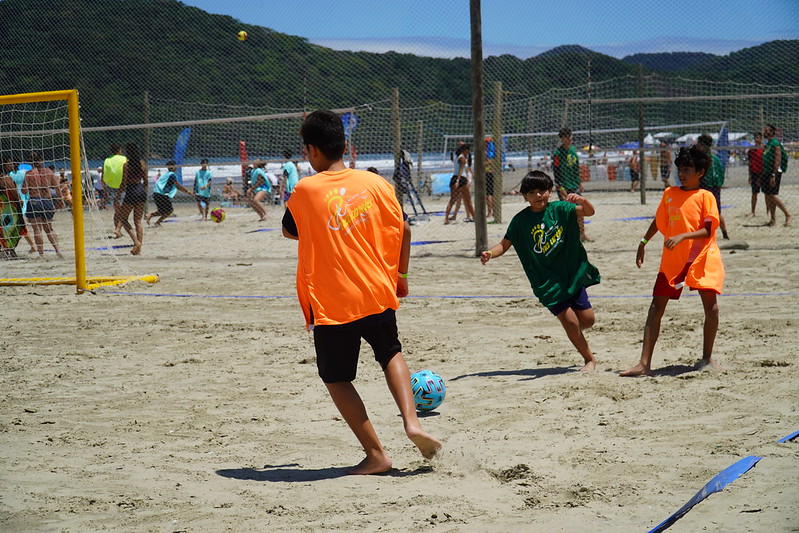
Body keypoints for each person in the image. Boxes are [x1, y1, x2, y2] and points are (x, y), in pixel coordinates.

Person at [281, 109, 441, 475]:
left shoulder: (306, 190)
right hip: (377, 289)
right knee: (390, 353)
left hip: (333, 301)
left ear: (311, 150)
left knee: (336, 378)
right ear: (345, 144)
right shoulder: (377, 183)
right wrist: (401, 275)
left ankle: (377, 455)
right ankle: (413, 424)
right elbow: (404, 229)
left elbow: (291, 230)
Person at [480, 170, 600, 372]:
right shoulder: (520, 221)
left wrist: (582, 200)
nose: (538, 196)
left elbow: (589, 212)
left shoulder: (561, 209)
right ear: (524, 196)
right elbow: (504, 244)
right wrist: (490, 254)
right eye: (532, 192)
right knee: (570, 322)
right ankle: (589, 359)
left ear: (550, 192)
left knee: (588, 320)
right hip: (546, 281)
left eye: (542, 191)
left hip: (571, 274)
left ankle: (576, 335)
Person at [621, 145, 724, 377]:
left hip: (701, 260)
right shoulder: (669, 194)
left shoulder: (706, 196)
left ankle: (707, 358)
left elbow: (708, 230)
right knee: (656, 307)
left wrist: (683, 236)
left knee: (712, 308)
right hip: (673, 261)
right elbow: (659, 221)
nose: (683, 173)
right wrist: (643, 242)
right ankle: (644, 364)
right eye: (681, 169)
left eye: (688, 169)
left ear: (701, 172)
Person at [22, 151, 62, 258]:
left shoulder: (29, 174)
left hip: (35, 201)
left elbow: (24, 191)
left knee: (37, 229)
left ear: (30, 162)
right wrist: (60, 200)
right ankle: (58, 251)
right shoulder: (48, 172)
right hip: (47, 201)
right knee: (49, 229)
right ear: (42, 160)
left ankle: (41, 254)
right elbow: (57, 187)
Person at [553, 128, 590, 241]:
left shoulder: (573, 151)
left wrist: (580, 182)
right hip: (564, 186)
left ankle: (582, 234)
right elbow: (556, 172)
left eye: (570, 137)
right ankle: (566, 237)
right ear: (562, 139)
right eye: (567, 137)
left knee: (580, 210)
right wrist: (561, 188)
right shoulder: (557, 154)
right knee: (566, 212)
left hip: (574, 185)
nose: (569, 139)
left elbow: (576, 168)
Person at [116, 143, 148, 254]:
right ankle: (139, 250)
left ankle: (136, 242)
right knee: (138, 221)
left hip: (132, 190)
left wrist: (118, 196)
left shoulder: (127, 165)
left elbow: (124, 182)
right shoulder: (142, 163)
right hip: (140, 190)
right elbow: (146, 181)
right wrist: (143, 190)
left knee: (123, 218)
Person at [697, 134, 729, 239]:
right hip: (716, 188)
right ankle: (725, 234)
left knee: (704, 212)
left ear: (703, 145)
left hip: (706, 187)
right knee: (717, 211)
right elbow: (721, 173)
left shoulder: (701, 159)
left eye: (699, 144)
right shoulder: (716, 158)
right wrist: (719, 184)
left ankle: (706, 233)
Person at [145, 160, 193, 227]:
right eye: (175, 166)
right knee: (169, 211)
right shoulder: (172, 175)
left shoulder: (166, 175)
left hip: (156, 193)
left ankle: (153, 218)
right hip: (162, 194)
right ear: (172, 167)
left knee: (163, 211)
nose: (176, 167)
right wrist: (188, 192)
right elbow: (178, 186)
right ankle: (155, 219)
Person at [762, 123, 792, 227]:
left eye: (766, 130)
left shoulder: (775, 143)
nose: (764, 132)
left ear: (771, 132)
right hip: (767, 172)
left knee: (772, 195)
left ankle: (787, 214)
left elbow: (777, 159)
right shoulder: (769, 143)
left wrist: (773, 174)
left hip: (774, 172)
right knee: (768, 195)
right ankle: (773, 220)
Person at [5, 156, 36, 253]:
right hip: (23, 198)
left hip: (15, 200)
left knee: (19, 223)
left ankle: (32, 245)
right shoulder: (24, 173)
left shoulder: (9, 175)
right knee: (18, 223)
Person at [0, 158, 28, 259]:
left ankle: (8, 250)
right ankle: (9, 251)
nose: (12, 165)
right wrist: (19, 199)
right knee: (13, 227)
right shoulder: (5, 177)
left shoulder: (5, 176)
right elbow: (12, 190)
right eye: (9, 163)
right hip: (10, 206)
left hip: (5, 206)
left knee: (7, 228)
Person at [444, 144, 473, 224]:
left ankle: (446, 218)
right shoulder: (462, 158)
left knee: (453, 200)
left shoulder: (457, 157)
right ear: (465, 150)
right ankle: (473, 217)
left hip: (455, 177)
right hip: (461, 179)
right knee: (467, 200)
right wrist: (458, 180)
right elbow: (460, 170)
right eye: (468, 150)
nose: (469, 152)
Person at [102, 144, 127, 237]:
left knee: (117, 211)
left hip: (112, 187)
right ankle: (118, 229)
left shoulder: (107, 160)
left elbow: (105, 177)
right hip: (124, 186)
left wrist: (105, 189)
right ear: (120, 150)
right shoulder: (124, 159)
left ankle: (118, 231)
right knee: (124, 211)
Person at [746, 132, 765, 218]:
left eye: (758, 138)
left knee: (767, 194)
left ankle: (768, 211)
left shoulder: (765, 148)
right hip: (754, 173)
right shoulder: (751, 150)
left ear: (761, 138)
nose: (756, 139)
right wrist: (749, 175)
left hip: (764, 173)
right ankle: (753, 211)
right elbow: (749, 163)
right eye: (755, 138)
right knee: (754, 193)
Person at [485, 136, 496, 220]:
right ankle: (492, 212)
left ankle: (490, 212)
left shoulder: (489, 152)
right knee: (490, 194)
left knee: (489, 194)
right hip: (491, 173)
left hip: (488, 174)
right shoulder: (492, 151)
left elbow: (488, 162)